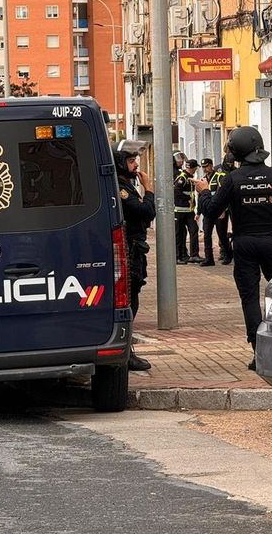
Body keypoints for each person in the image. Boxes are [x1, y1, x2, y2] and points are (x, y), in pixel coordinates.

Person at [195, 127, 272, 370]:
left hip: (244, 245)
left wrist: (204, 191)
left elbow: (211, 211)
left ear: (235, 151)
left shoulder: (233, 180)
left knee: (250, 298)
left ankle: (259, 354)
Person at [113, 141, 156, 371]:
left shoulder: (126, 184)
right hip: (129, 249)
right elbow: (146, 212)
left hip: (135, 248)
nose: (136, 164)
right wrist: (148, 189)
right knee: (129, 299)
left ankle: (126, 349)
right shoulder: (121, 187)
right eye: (131, 161)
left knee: (134, 296)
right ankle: (126, 352)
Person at [198, 156, 234, 266]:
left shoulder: (220, 177)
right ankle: (209, 258)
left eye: (206, 166)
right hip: (208, 211)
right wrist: (198, 212)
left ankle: (228, 254)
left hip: (219, 211)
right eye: (203, 167)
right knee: (206, 235)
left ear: (211, 166)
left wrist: (223, 210)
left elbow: (224, 195)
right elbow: (200, 197)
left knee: (222, 235)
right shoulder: (203, 180)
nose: (205, 169)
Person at [174, 158, 201, 264]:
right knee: (179, 234)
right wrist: (188, 199)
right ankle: (178, 257)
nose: (195, 171)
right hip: (179, 211)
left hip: (189, 211)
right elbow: (176, 191)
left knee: (194, 231)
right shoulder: (182, 178)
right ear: (193, 168)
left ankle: (193, 255)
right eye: (195, 168)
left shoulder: (189, 178)